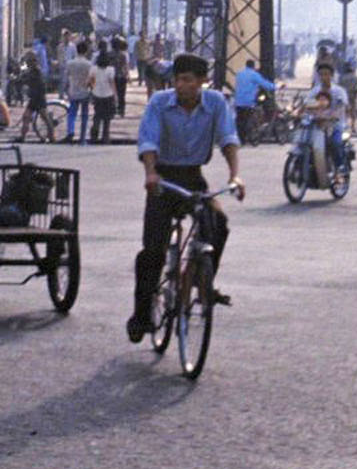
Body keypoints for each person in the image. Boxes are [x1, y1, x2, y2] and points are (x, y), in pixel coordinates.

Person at [127, 51, 245, 343]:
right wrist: (151, 174)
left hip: (193, 177)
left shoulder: (216, 103)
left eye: (188, 80)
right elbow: (149, 141)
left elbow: (228, 139)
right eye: (177, 79)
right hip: (163, 180)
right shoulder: (159, 103)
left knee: (218, 223)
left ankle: (203, 282)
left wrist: (235, 175)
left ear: (202, 82)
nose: (181, 85)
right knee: (152, 251)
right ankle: (141, 314)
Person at [303, 57, 350, 174]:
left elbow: (341, 107)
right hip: (317, 125)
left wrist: (332, 116)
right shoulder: (315, 91)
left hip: (335, 125)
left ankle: (340, 168)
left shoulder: (339, 91)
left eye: (326, 74)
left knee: (335, 144)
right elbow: (307, 104)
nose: (324, 77)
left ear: (332, 75)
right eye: (321, 74)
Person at [232, 59, 275, 140]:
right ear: (253, 66)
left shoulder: (239, 74)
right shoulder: (254, 75)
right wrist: (276, 86)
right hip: (249, 101)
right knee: (249, 117)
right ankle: (248, 135)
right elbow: (265, 84)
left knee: (239, 119)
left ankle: (239, 137)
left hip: (238, 101)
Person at [18, 50, 52, 142]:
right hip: (33, 98)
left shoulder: (36, 71)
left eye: (28, 61)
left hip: (39, 98)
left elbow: (28, 79)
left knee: (45, 118)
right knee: (26, 117)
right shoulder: (31, 70)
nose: (27, 63)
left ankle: (52, 136)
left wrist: (22, 79)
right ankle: (22, 136)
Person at [64, 39, 94, 144]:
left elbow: (66, 77)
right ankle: (82, 138)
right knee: (84, 116)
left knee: (72, 113)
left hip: (73, 90)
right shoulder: (89, 64)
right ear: (86, 51)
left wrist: (66, 89)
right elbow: (91, 79)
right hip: (85, 91)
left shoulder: (70, 63)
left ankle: (70, 131)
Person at [89, 43, 117, 143]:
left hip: (97, 94)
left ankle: (94, 135)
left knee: (97, 115)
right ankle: (105, 137)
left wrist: (93, 89)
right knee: (107, 118)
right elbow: (112, 83)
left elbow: (91, 81)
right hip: (108, 95)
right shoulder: (110, 70)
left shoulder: (93, 69)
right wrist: (115, 96)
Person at [112, 35, 129, 117]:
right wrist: (127, 75)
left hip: (113, 76)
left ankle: (114, 109)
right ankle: (121, 110)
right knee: (122, 94)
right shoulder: (123, 55)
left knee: (113, 94)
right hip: (122, 76)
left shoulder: (110, 54)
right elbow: (125, 66)